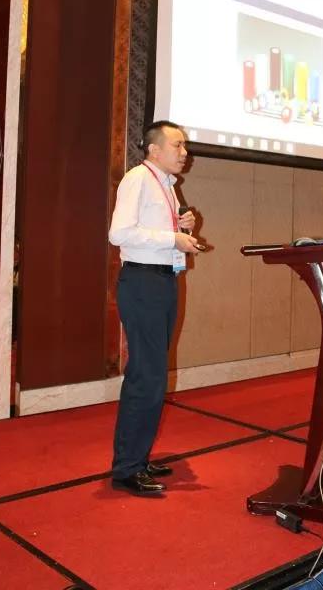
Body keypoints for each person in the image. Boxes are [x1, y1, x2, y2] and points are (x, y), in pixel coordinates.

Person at [108, 120, 201, 496]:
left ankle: (138, 458)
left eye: (184, 145)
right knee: (146, 377)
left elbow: (162, 235)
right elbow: (119, 233)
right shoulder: (138, 179)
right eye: (177, 145)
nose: (184, 152)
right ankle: (127, 468)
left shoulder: (167, 186)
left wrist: (183, 225)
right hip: (143, 283)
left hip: (163, 281)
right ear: (154, 149)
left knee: (154, 375)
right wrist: (172, 237)